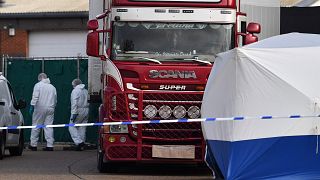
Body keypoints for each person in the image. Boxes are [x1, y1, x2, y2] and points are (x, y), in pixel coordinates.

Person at [29, 73, 57, 151]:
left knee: (36, 126)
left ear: (40, 78)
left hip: (40, 108)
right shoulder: (52, 87)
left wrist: (32, 105)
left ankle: (33, 145)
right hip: (50, 108)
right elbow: (55, 99)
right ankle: (50, 145)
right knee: (49, 127)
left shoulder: (38, 85)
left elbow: (35, 97)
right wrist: (53, 107)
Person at [69, 79, 89, 151]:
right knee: (82, 127)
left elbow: (74, 102)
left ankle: (79, 142)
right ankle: (82, 143)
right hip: (86, 110)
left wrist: (74, 113)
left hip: (78, 110)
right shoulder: (85, 91)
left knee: (71, 126)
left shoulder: (75, 91)